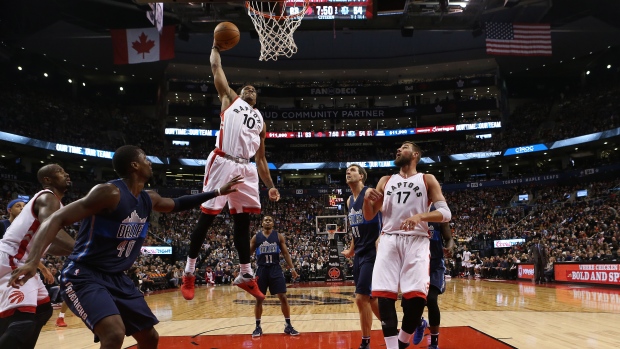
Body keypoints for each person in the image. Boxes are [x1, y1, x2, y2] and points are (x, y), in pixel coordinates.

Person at [8, 145, 243, 349]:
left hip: (118, 278)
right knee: (113, 333)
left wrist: (217, 192)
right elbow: (54, 219)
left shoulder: (148, 198)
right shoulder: (109, 192)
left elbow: (178, 204)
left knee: (149, 337)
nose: (150, 163)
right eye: (145, 159)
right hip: (84, 274)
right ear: (134, 165)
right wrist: (32, 260)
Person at [180, 40, 280, 302]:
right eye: (246, 87)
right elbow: (215, 66)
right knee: (207, 216)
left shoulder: (260, 121)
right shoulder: (229, 99)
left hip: (246, 168)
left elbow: (261, 158)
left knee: (243, 221)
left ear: (257, 99)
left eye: (254, 89)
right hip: (223, 160)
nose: (249, 89)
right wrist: (214, 45)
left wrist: (269, 184)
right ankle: (189, 271)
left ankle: (245, 275)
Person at [362, 141, 452, 349]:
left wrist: (421, 216)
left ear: (415, 155)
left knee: (417, 298)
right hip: (389, 238)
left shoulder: (427, 179)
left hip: (417, 240)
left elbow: (445, 214)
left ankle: (402, 342)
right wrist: (367, 199)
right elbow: (369, 215)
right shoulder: (385, 180)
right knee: (383, 295)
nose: (398, 150)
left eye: (404, 147)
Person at [0, 164, 75, 349]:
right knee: (21, 322)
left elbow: (51, 244)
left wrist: (77, 251)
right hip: (12, 259)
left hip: (22, 261)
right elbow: (52, 230)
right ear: (47, 180)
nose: (66, 173)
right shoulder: (48, 197)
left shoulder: (55, 202)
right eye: (59, 171)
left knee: (43, 311)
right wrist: (86, 248)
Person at [340, 164, 381, 349]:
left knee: (360, 298)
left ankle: (365, 343)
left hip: (373, 251)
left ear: (362, 176)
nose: (348, 172)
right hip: (360, 252)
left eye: (353, 170)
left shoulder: (370, 192)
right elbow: (355, 229)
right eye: (347, 171)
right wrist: (351, 249)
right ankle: (393, 326)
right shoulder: (349, 201)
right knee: (371, 300)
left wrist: (383, 238)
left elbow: (385, 214)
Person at [250, 215, 299, 338]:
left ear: (273, 223)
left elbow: (286, 253)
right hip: (261, 270)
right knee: (259, 298)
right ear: (262, 223)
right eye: (265, 220)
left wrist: (292, 268)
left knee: (282, 296)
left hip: (275, 268)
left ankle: (288, 325)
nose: (267, 221)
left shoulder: (278, 236)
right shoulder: (256, 237)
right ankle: (257, 327)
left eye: (270, 220)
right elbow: (247, 254)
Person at [412, 215, 455, 349]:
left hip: (436, 265)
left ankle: (434, 343)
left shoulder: (439, 214)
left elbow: (449, 239)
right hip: (417, 264)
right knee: (413, 303)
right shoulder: (413, 210)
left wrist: (449, 248)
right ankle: (420, 323)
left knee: (431, 299)